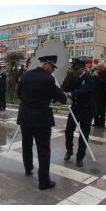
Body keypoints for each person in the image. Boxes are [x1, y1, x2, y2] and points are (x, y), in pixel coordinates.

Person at [17, 55, 67, 190]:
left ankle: (28, 169)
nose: (53, 70)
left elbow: (19, 94)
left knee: (26, 145)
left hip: (25, 116)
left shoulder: (26, 75)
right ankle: (44, 181)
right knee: (43, 150)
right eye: (52, 67)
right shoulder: (48, 79)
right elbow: (62, 98)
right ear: (46, 64)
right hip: (41, 119)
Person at [62, 58, 95, 167]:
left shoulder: (89, 78)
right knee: (68, 130)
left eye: (77, 69)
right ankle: (69, 150)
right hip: (75, 108)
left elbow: (83, 91)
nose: (74, 71)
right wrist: (60, 91)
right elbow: (65, 88)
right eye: (73, 69)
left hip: (87, 109)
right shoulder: (72, 77)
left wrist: (71, 94)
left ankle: (80, 157)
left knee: (84, 134)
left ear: (83, 68)